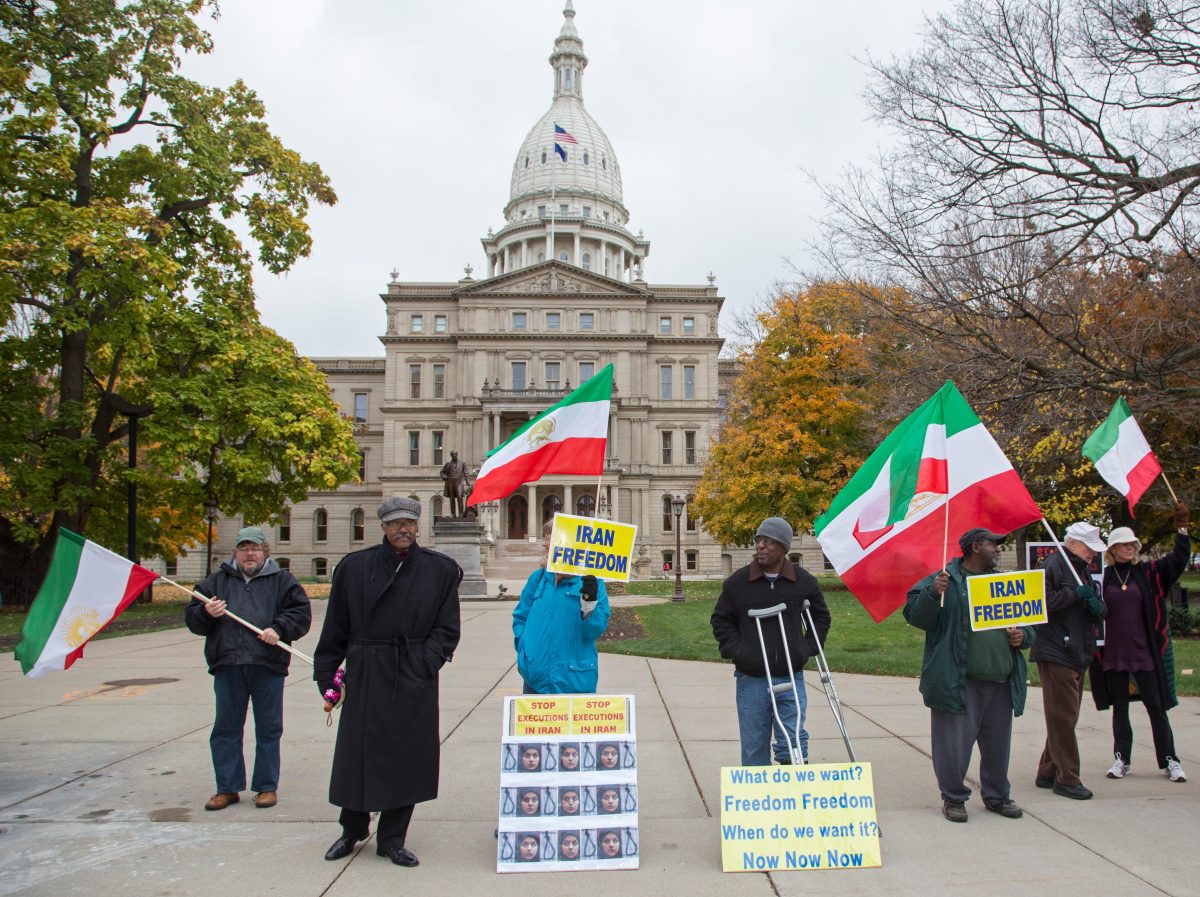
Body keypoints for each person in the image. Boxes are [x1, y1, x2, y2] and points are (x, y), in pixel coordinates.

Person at [315, 496, 462, 868]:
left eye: (409, 523)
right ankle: (352, 829)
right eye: (396, 524)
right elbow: (335, 629)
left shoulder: (439, 571)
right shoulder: (353, 568)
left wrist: (423, 665)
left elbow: (446, 630)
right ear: (383, 527)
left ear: (418, 526)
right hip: (365, 671)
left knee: (406, 758)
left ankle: (393, 838)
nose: (403, 530)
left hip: (411, 674)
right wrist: (328, 678)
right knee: (356, 757)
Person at [904, 527, 1036, 823]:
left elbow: (1029, 623)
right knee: (953, 746)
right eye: (993, 544)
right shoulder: (945, 580)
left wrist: (1024, 637)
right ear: (976, 547)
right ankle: (953, 797)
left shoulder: (1004, 583)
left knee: (998, 746)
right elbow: (916, 617)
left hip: (1001, 680)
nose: (998, 549)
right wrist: (931, 593)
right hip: (958, 680)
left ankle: (997, 796)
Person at [185, 525, 311, 812]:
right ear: (236, 553)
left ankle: (266, 787)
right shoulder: (215, 583)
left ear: (265, 552)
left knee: (268, 728)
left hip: (267, 664)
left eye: (254, 548)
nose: (249, 553)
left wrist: (279, 629)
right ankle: (227, 788)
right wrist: (206, 613)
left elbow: (300, 613)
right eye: (244, 549)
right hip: (228, 663)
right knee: (226, 728)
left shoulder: (283, 581)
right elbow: (192, 619)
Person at [710, 517, 831, 765]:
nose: (761, 546)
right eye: (758, 540)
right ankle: (758, 797)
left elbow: (821, 618)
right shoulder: (738, 584)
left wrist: (805, 649)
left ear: (784, 547)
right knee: (754, 746)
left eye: (769, 541)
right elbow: (721, 621)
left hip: (790, 674)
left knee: (793, 741)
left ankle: (794, 795)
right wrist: (740, 652)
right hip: (752, 678)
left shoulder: (803, 581)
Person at [1089, 501, 1191, 783]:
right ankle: (1122, 759)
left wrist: (1181, 528)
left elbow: (1179, 559)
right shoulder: (1103, 577)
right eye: (1123, 545)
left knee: (1156, 707)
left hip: (1144, 652)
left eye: (1132, 544)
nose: (1129, 548)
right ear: (1112, 550)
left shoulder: (1151, 573)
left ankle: (1170, 760)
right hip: (1113, 653)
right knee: (1120, 708)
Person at [1030, 522, 1107, 800]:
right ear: (1073, 543)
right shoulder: (1054, 564)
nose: (1092, 554)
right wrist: (1075, 594)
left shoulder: (1083, 570)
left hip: (1079, 650)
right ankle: (1068, 778)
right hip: (1056, 649)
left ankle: (1048, 769)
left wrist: (1097, 607)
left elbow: (1097, 607)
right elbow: (1040, 600)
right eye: (1089, 548)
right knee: (1062, 716)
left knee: (1067, 715)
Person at [512, 519, 611, 694]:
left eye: (550, 538)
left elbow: (594, 630)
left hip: (575, 682)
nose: (544, 543)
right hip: (535, 680)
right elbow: (520, 617)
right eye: (544, 538)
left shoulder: (591, 581)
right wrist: (526, 652)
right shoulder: (538, 578)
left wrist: (589, 603)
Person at [439, 450, 472, 517]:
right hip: (450, 482)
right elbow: (442, 472)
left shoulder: (462, 463)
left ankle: (461, 513)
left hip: (459, 482)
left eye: (455, 454)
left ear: (457, 454)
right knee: (452, 498)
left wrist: (468, 482)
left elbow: (466, 473)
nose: (454, 455)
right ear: (451, 455)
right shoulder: (448, 463)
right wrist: (444, 477)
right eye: (452, 454)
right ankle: (453, 513)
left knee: (459, 497)